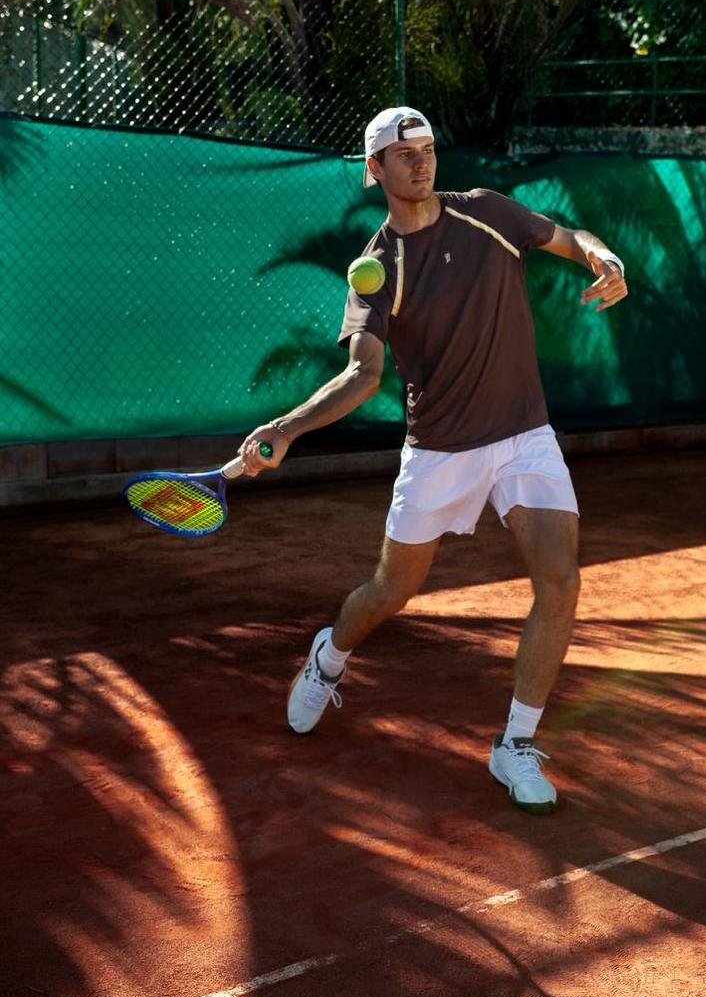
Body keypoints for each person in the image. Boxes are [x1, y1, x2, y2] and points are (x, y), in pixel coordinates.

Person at [239, 105, 627, 814]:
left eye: (426, 148)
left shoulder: (488, 212)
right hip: (439, 451)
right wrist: (287, 429)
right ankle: (329, 656)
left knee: (560, 579)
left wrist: (605, 258)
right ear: (374, 169)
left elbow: (569, 237)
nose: (421, 161)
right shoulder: (376, 268)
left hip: (522, 435)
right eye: (403, 152)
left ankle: (514, 744)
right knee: (391, 590)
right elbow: (363, 376)